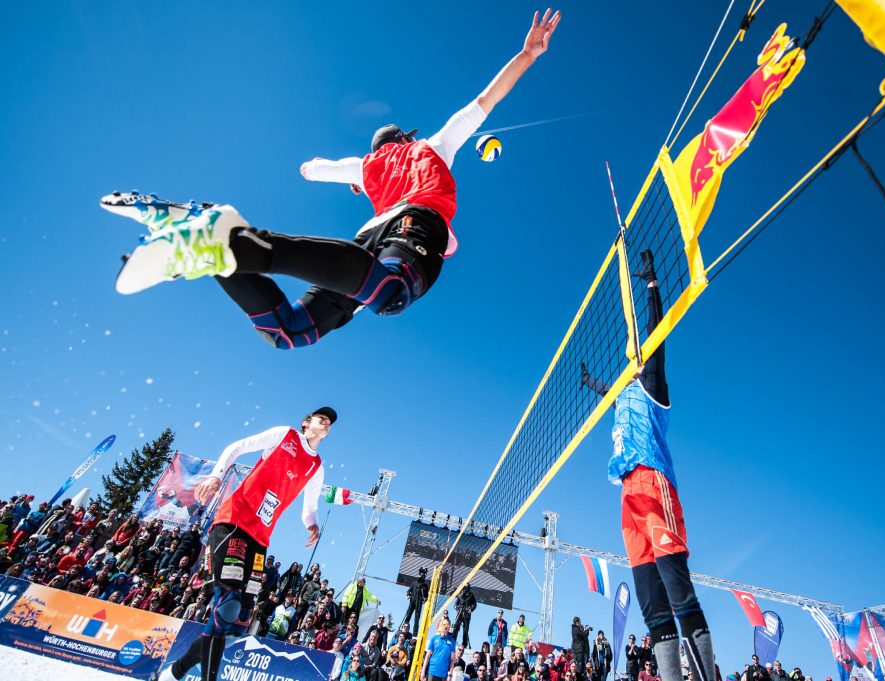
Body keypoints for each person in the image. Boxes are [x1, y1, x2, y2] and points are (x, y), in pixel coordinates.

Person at [102, 10, 562, 351]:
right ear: (403, 138)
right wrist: (527, 54)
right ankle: (234, 239)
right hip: (415, 222)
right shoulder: (434, 146)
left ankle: (201, 238)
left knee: (290, 331)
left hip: (371, 237)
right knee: (392, 294)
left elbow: (312, 167)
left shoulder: (364, 166)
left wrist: (350, 178)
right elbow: (484, 101)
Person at [580, 250, 716, 681]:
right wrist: (590, 383)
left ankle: (706, 675)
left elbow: (657, 335)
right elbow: (611, 392)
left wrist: (652, 285)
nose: (633, 360)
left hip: (654, 484)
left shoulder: (653, 386)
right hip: (627, 495)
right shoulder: (623, 393)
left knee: (677, 588)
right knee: (650, 602)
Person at [155, 406, 333, 681]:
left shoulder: (316, 467)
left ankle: (174, 672)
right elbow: (236, 447)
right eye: (321, 416)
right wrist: (216, 475)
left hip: (260, 540)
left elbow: (309, 507)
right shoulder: (284, 435)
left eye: (330, 420)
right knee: (227, 607)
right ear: (306, 422)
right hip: (234, 523)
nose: (327, 420)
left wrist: (312, 524)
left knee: (238, 621)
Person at [403, 567, 429, 631]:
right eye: (421, 573)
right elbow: (409, 591)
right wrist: (409, 595)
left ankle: (415, 633)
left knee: (417, 618)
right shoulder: (414, 583)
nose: (422, 575)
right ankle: (403, 629)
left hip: (419, 603)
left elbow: (426, 596)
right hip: (412, 601)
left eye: (424, 574)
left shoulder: (425, 586)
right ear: (419, 574)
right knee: (408, 616)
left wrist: (424, 600)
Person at [453, 583, 477, 648]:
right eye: (464, 587)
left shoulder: (471, 595)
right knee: (456, 627)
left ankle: (464, 644)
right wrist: (456, 607)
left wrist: (471, 609)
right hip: (460, 613)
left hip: (467, 614)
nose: (464, 589)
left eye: (466, 587)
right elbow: (456, 603)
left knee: (465, 630)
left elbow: (475, 604)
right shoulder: (460, 594)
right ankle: (453, 641)